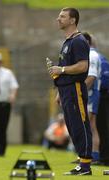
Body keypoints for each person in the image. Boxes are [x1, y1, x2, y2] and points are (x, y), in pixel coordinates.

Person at [47, 7, 92, 175]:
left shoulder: (78, 41)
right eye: (59, 16)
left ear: (73, 20)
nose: (58, 19)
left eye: (62, 16)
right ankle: (82, 162)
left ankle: (86, 165)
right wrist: (60, 89)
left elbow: (83, 66)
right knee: (72, 126)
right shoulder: (67, 41)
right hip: (66, 90)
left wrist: (62, 70)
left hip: (75, 89)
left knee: (80, 124)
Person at [82, 32, 101, 163]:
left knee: (88, 126)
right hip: (90, 94)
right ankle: (90, 155)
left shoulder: (92, 55)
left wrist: (80, 92)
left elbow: (91, 77)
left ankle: (91, 155)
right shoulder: (88, 55)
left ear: (87, 42)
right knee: (90, 125)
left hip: (91, 94)